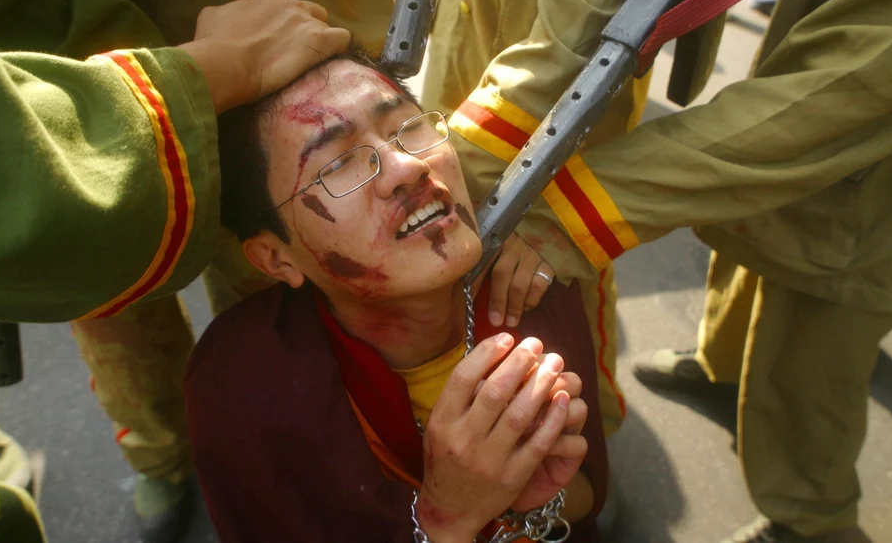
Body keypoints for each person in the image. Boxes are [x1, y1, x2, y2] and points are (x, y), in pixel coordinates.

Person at [441, 0, 892, 541]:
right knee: (755, 253)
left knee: (815, 339)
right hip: (802, 107)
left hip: (890, 173)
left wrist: (576, 208)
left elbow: (848, 91)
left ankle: (810, 520)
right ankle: (724, 373)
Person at [0, 0, 348, 539]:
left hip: (258, 108)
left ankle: (290, 448)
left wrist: (307, 101)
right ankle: (162, 453)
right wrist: (161, 98)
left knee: (282, 306)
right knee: (119, 326)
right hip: (98, 107)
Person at [183, 53, 609, 542]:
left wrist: (521, 497)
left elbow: (585, 499)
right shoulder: (241, 395)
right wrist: (446, 518)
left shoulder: (529, 284)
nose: (408, 167)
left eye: (408, 126)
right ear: (277, 259)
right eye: (339, 164)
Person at [420, 0, 739, 443]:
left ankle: (586, 446)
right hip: (476, 13)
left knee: (555, 255)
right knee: (473, 252)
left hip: (575, 58)